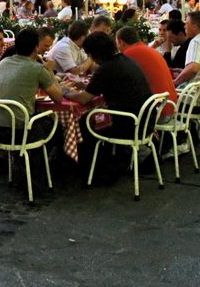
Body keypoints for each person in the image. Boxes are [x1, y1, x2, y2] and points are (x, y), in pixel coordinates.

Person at [65, 32, 155, 181]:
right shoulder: (125, 60)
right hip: (145, 121)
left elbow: (83, 98)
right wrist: (83, 85)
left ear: (95, 53)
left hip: (127, 124)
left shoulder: (106, 68)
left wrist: (65, 91)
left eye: (89, 55)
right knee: (90, 117)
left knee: (83, 122)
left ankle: (92, 168)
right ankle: (105, 162)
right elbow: (101, 85)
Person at [0, 29, 64, 139]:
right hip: (19, 131)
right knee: (57, 127)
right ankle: (39, 156)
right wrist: (50, 71)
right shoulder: (38, 69)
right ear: (36, 48)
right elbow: (59, 97)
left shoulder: (4, 62)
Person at [115, 26, 177, 119]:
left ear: (121, 42)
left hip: (156, 112)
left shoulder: (128, 55)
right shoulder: (148, 50)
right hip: (170, 105)